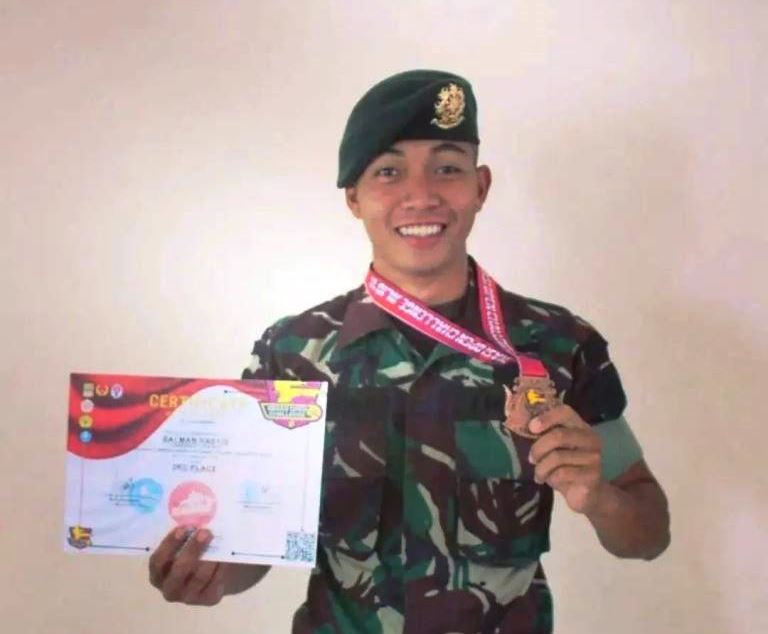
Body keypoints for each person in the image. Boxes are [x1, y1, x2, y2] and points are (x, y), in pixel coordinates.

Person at [148, 69, 670, 633]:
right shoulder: (293, 353)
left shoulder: (561, 345)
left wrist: (600, 498)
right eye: (389, 172)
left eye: (447, 168)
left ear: (481, 187)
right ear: (354, 197)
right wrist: (211, 574)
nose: (421, 195)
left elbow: (649, 534)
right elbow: (255, 542)